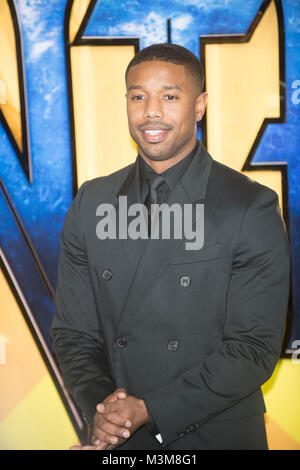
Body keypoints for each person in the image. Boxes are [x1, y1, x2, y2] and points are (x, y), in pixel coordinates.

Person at [51, 43, 290, 450]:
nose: (151, 112)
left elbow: (253, 348)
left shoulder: (249, 205)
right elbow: (73, 334)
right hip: (118, 440)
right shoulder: (93, 202)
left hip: (216, 434)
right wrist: (107, 413)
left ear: (200, 106)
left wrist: (150, 408)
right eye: (138, 96)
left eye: (170, 96)